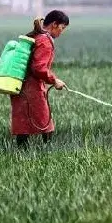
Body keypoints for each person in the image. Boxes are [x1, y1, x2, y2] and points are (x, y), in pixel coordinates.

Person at [10, 10, 69, 148]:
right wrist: (54, 80)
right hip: (32, 88)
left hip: (20, 85)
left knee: (23, 123)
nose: (62, 32)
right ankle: (48, 150)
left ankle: (21, 153)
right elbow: (39, 68)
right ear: (54, 24)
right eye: (62, 28)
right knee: (45, 121)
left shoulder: (37, 36)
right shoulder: (45, 41)